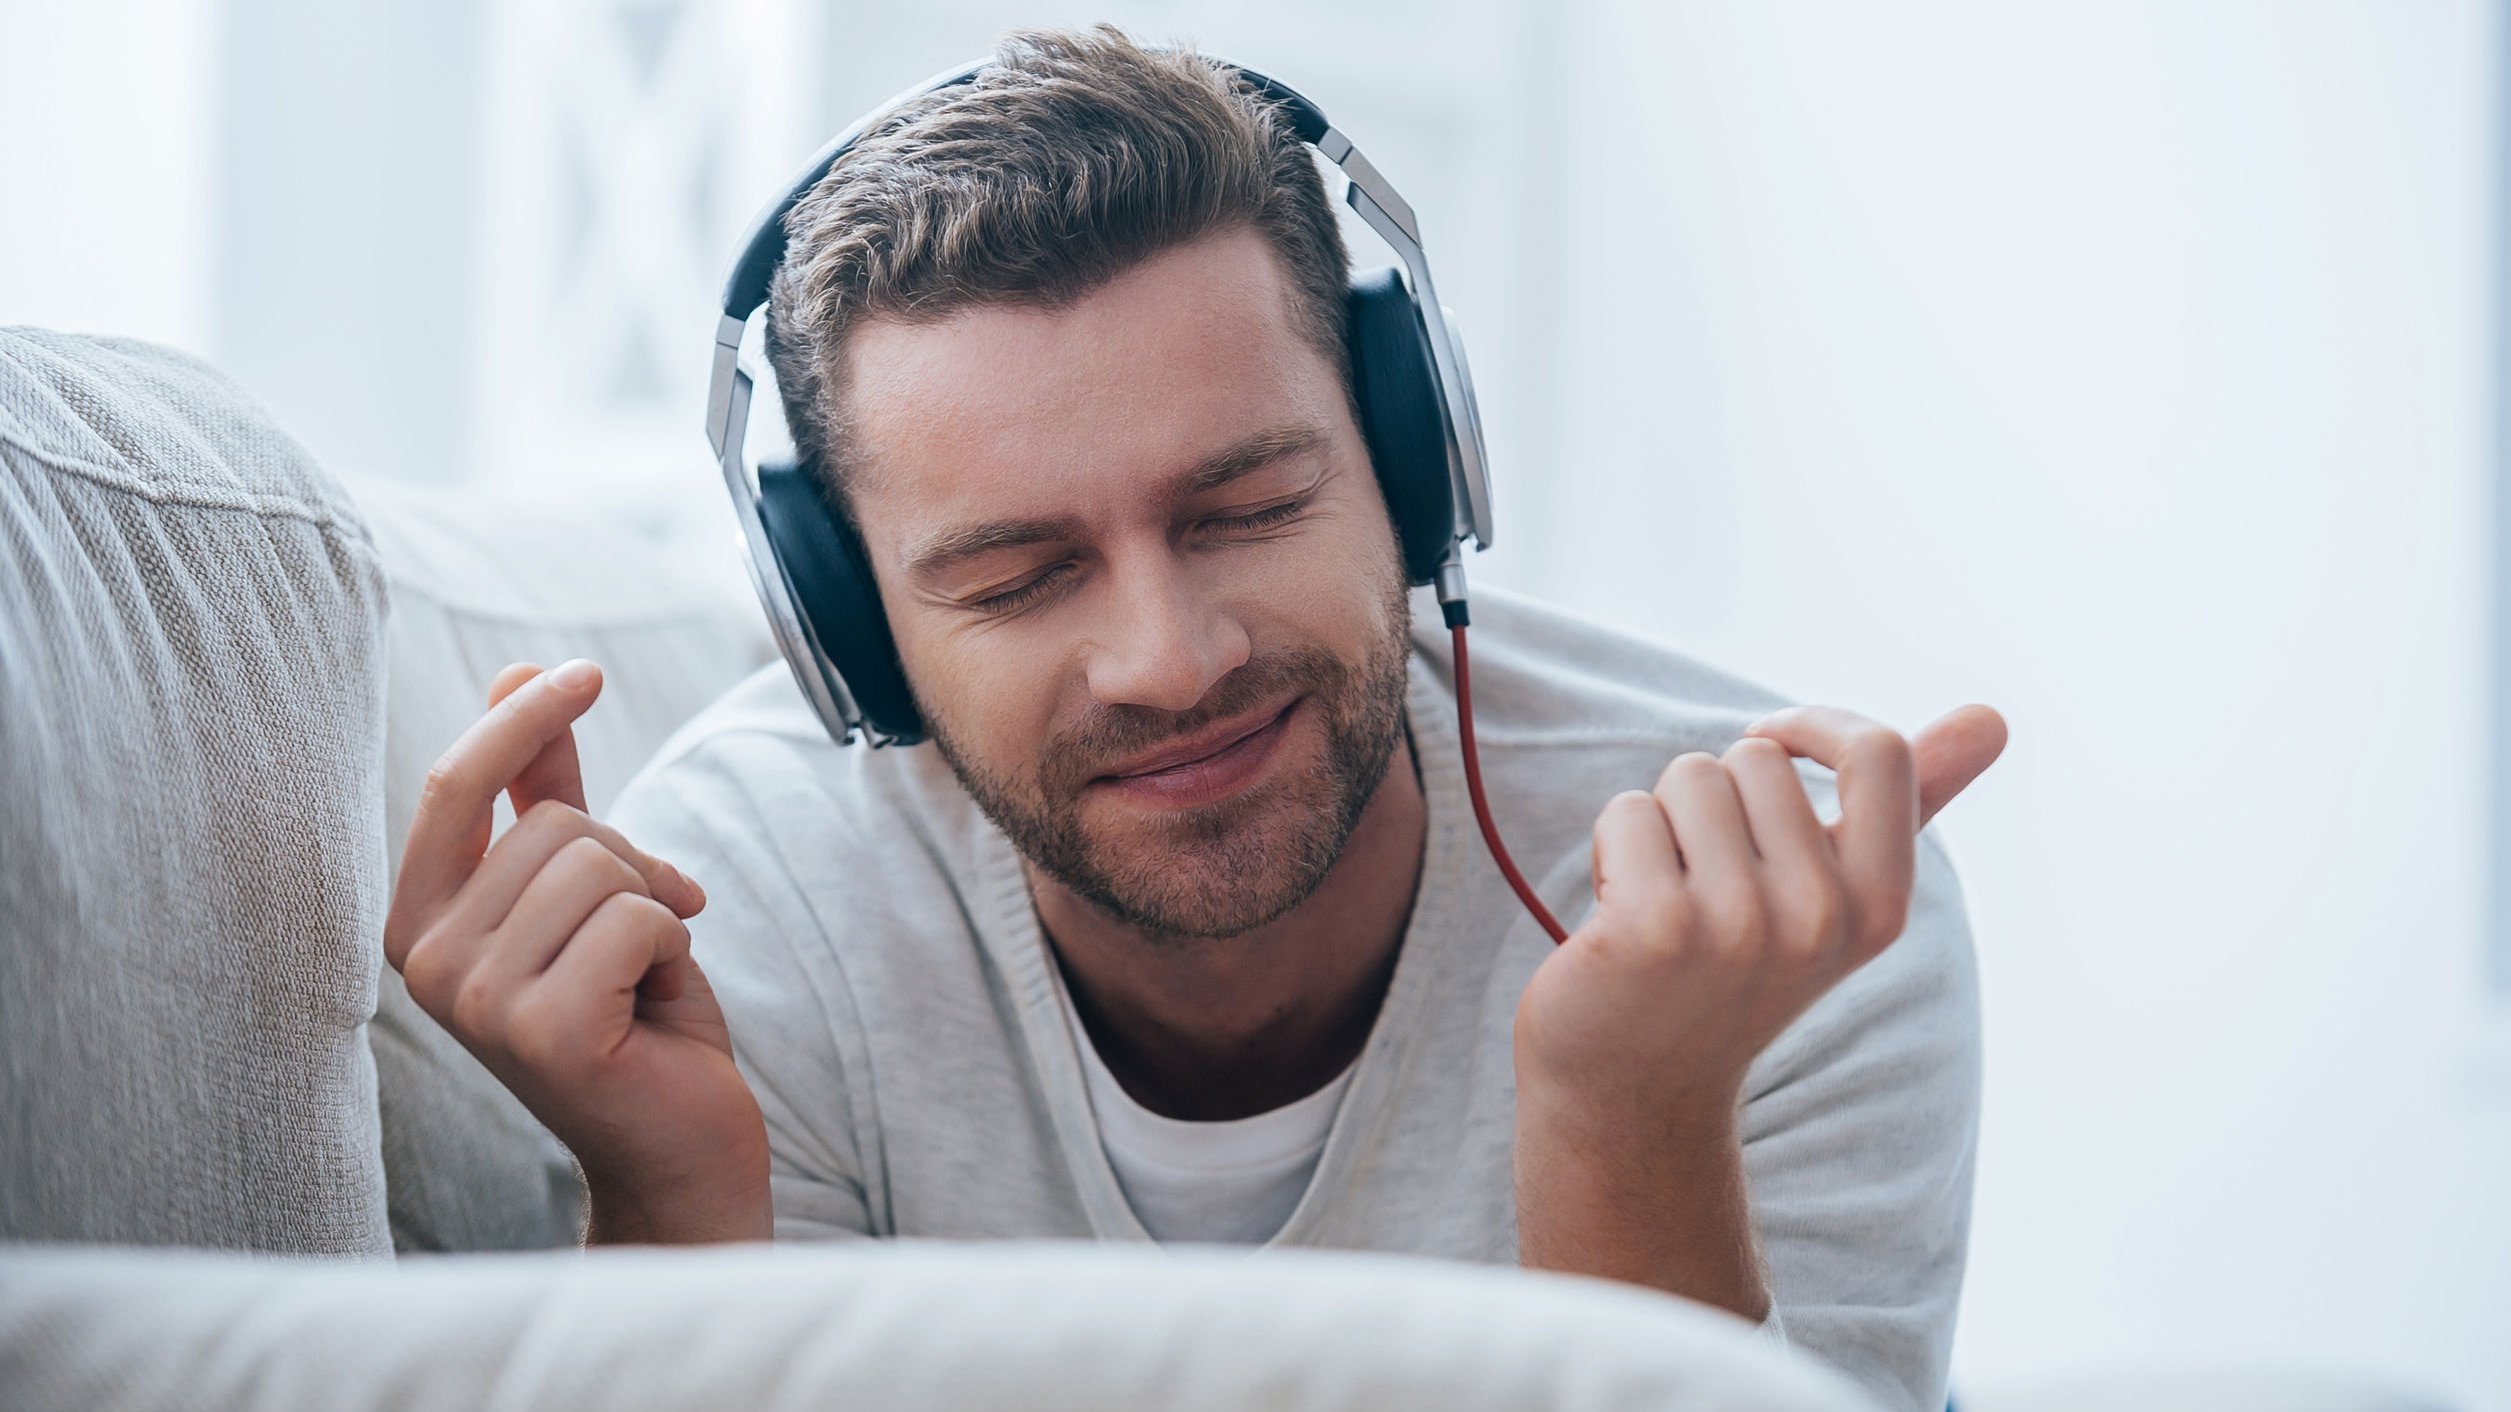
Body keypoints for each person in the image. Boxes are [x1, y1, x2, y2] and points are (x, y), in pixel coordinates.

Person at [382, 27, 2007, 1410]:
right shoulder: (743, 923)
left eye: (1243, 509)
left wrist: (1629, 1119)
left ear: (1408, 467)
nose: (1164, 660)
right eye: (1019, 580)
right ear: (857, 638)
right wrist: (667, 1196)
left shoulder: (1783, 920)